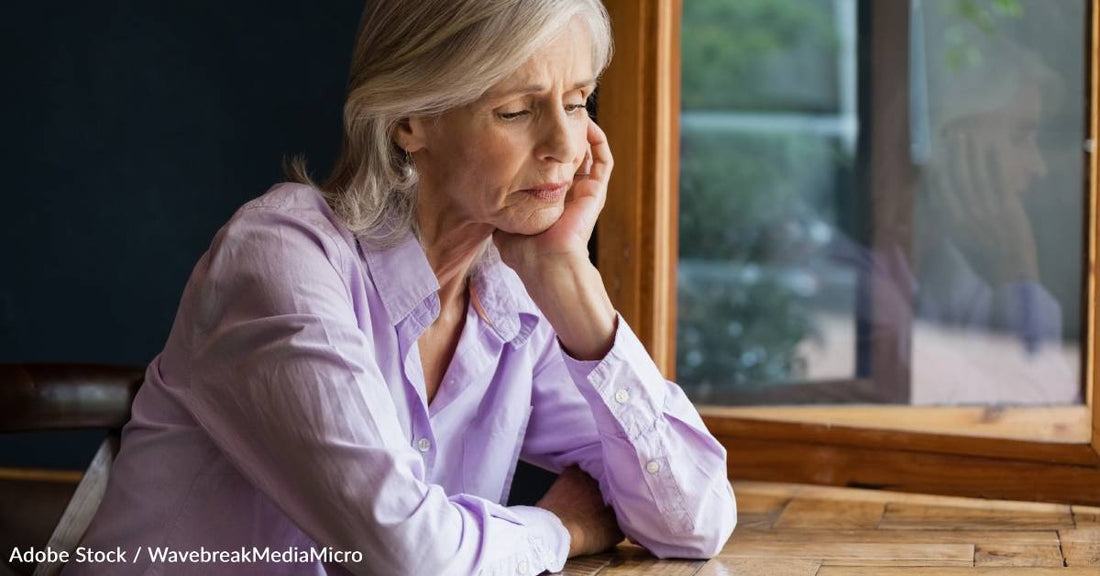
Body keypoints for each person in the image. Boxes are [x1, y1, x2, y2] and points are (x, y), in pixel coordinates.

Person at [63, 1, 736, 575]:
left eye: (577, 100)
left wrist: (570, 275)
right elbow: (407, 555)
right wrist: (556, 530)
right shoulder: (277, 262)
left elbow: (694, 520)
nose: (566, 144)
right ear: (410, 119)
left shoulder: (514, 295)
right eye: (516, 110)